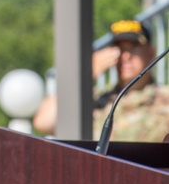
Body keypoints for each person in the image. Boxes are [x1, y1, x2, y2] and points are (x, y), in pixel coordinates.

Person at [33, 18, 169, 140]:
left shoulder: (165, 99)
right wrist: (86, 74)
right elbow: (44, 122)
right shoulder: (96, 99)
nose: (125, 57)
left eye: (134, 48)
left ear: (151, 52)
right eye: (119, 49)